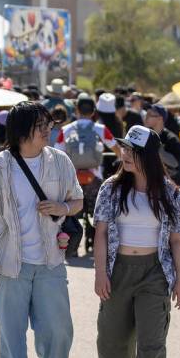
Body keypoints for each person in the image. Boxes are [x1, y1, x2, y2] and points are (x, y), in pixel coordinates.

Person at [0, 101, 84, 358]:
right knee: (11, 335)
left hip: (50, 261)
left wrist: (61, 208)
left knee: (59, 330)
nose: (48, 130)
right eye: (41, 125)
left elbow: (76, 201)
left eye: (48, 124)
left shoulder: (60, 162)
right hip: (10, 263)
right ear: (23, 130)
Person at [93, 125, 180, 358]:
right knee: (112, 337)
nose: (126, 155)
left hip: (154, 272)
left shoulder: (172, 194)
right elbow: (101, 233)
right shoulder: (111, 187)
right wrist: (100, 273)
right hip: (118, 269)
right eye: (124, 149)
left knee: (152, 338)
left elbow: (177, 240)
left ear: (149, 156)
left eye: (134, 152)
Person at [55, 94, 117, 255]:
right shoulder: (101, 129)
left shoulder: (66, 130)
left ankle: (72, 246)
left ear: (76, 109)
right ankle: (94, 244)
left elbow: (56, 153)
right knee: (96, 212)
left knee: (72, 213)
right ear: (94, 111)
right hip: (95, 177)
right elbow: (117, 149)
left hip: (72, 178)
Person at [144, 104, 180, 186]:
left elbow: (175, 163)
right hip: (149, 179)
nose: (146, 117)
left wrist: (157, 147)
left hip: (168, 182)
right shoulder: (145, 135)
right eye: (146, 114)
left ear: (160, 118)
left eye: (150, 115)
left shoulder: (171, 138)